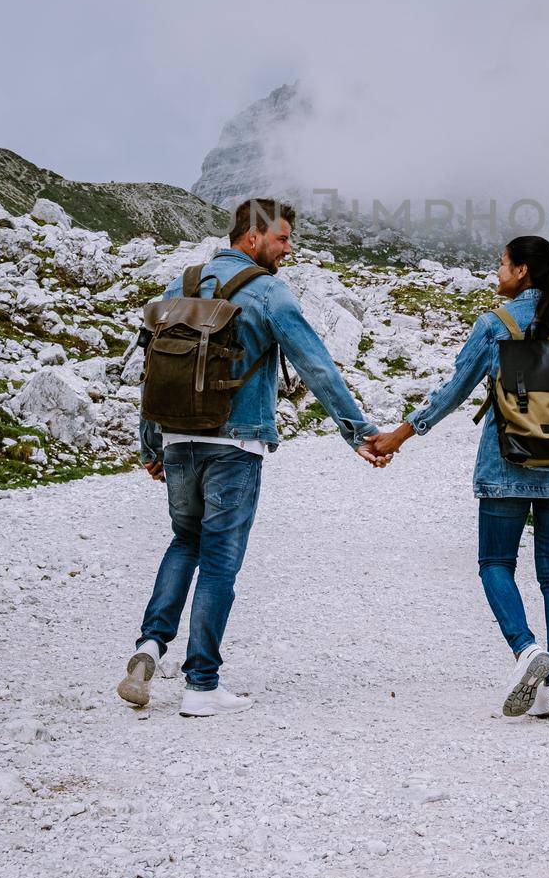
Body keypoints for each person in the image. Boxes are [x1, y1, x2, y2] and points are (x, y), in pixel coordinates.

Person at [117, 197, 388, 718]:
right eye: (282, 239)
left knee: (184, 541)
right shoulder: (268, 292)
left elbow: (157, 370)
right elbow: (317, 368)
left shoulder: (183, 284)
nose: (288, 248)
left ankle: (150, 647)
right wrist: (359, 433)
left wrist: (151, 444)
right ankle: (201, 685)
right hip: (236, 444)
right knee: (219, 557)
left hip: (176, 440)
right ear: (252, 238)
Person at [367, 235, 549, 720]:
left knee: (495, 563)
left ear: (523, 271)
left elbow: (454, 390)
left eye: (502, 264)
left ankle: (526, 651)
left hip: (506, 466)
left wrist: (401, 434)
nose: (496, 272)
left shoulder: (494, 325)